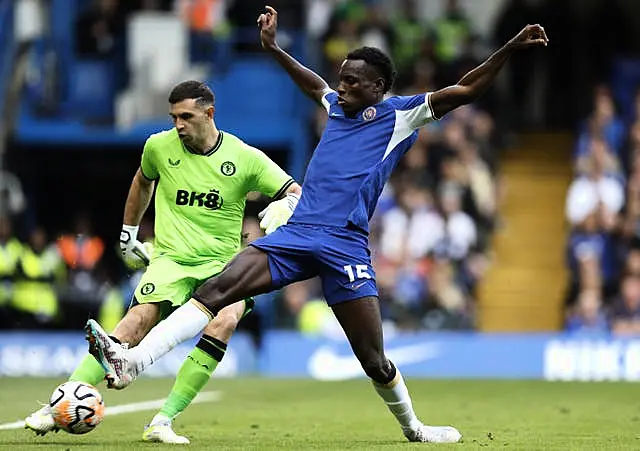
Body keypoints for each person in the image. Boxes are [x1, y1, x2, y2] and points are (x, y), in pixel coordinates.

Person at [87, 6, 548, 444]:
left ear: (378, 86)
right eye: (341, 79)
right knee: (216, 290)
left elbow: (466, 89)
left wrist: (508, 47)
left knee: (373, 359)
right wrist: (272, 49)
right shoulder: (336, 106)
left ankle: (414, 427)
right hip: (298, 234)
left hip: (346, 247)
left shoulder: (401, 115)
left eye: (352, 82)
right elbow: (312, 84)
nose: (340, 88)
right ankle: (132, 362)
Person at [24, 80, 301, 444]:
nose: (179, 125)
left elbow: (296, 190)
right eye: (173, 117)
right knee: (132, 323)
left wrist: (286, 203)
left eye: (186, 116)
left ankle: (163, 420)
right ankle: (58, 404)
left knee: (225, 320)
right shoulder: (158, 146)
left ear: (209, 113)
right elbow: (142, 183)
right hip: (170, 257)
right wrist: (128, 233)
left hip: (223, 264)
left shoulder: (244, 157)